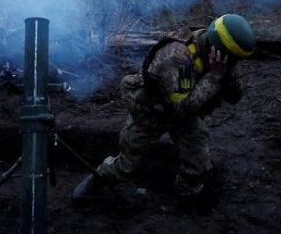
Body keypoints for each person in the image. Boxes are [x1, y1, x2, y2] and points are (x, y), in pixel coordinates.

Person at [72, 13, 255, 209]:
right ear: (219, 48)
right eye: (232, 60)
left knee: (198, 160)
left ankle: (187, 198)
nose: (233, 64)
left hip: (183, 110)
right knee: (128, 164)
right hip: (152, 109)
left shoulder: (220, 57)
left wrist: (226, 74)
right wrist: (214, 76)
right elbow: (183, 107)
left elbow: (234, 97)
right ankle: (94, 183)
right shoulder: (180, 56)